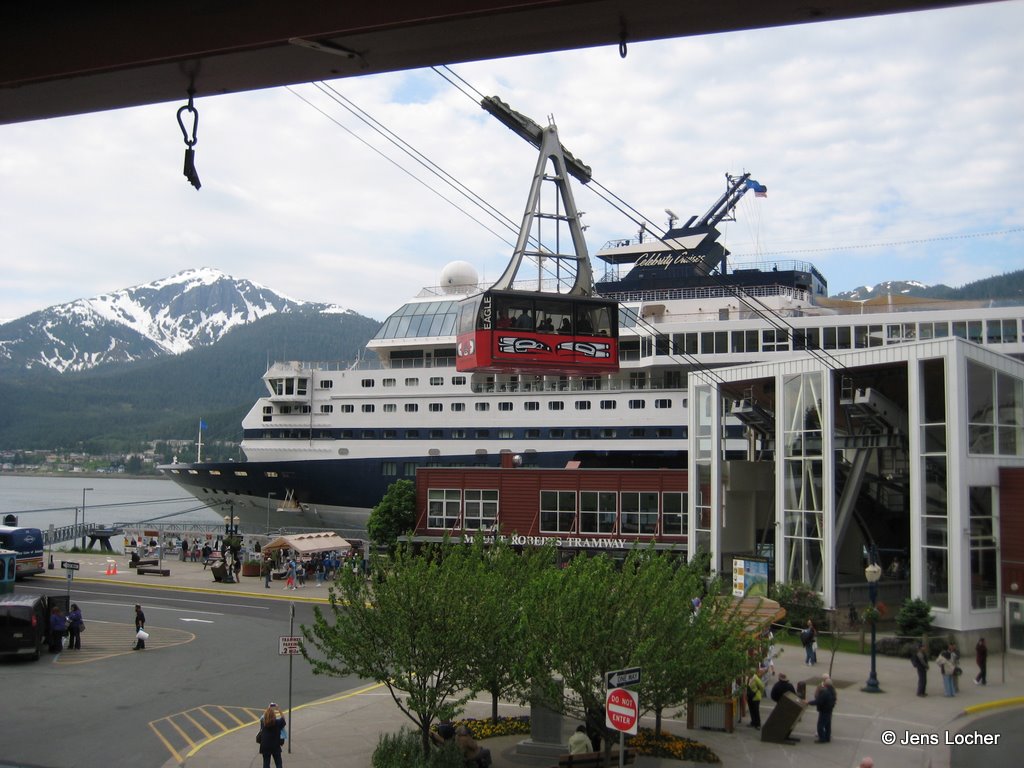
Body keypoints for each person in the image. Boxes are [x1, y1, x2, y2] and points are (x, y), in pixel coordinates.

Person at [807, 674, 836, 743]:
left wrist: (808, 702)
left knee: (820, 725)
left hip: (824, 710)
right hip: (829, 710)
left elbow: (818, 701)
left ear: (826, 684)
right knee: (827, 725)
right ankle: (827, 737)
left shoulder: (825, 692)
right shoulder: (832, 691)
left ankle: (822, 739)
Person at [257, 702, 287, 768]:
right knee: (278, 763)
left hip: (265, 746)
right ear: (274, 715)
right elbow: (283, 718)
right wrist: (278, 709)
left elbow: (263, 717)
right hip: (275, 746)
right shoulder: (277, 722)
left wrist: (268, 709)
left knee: (266, 763)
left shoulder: (263, 722)